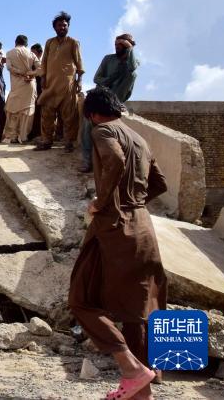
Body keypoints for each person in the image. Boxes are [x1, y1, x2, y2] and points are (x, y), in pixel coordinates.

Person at [68, 87, 167, 400]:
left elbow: (114, 159)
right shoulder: (140, 138)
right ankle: (143, 391)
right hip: (144, 228)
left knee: (81, 299)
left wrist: (102, 202)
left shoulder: (103, 130)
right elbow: (160, 183)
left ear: (92, 114)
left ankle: (131, 368)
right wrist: (135, 203)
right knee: (136, 311)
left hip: (114, 226)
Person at [80, 33, 140, 172]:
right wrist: (110, 79)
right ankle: (87, 160)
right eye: (116, 44)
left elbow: (132, 69)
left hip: (117, 99)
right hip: (102, 96)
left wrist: (130, 48)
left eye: (121, 45)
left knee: (132, 74)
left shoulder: (132, 63)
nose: (117, 47)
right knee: (88, 122)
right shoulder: (108, 59)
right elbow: (97, 79)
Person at [35, 11, 84, 152]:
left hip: (67, 85)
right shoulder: (49, 42)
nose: (62, 27)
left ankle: (69, 142)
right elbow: (44, 62)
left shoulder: (73, 42)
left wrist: (79, 80)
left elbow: (79, 63)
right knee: (47, 114)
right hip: (50, 85)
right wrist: (43, 78)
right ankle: (46, 141)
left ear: (68, 27)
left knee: (69, 115)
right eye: (59, 25)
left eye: (65, 25)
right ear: (54, 27)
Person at [2, 35, 40, 144]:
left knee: (13, 111)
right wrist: (30, 73)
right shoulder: (31, 54)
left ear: (15, 42)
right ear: (26, 44)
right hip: (29, 84)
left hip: (17, 85)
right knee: (27, 112)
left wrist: (21, 73)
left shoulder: (10, 53)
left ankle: (13, 137)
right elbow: (41, 69)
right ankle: (23, 137)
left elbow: (9, 67)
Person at [28, 43, 44, 141]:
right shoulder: (30, 65)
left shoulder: (42, 65)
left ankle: (37, 134)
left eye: (33, 53)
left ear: (40, 53)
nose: (32, 56)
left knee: (38, 113)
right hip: (30, 93)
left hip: (40, 92)